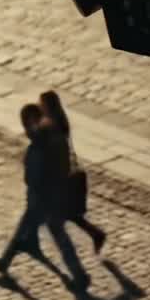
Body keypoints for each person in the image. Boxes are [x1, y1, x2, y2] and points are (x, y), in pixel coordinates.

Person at [0, 104, 91, 293]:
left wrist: (38, 189)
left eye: (27, 123)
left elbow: (40, 172)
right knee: (27, 227)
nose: (26, 128)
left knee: (58, 235)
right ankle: (5, 261)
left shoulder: (44, 141)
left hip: (44, 199)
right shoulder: (51, 137)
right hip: (46, 196)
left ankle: (80, 275)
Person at [39, 90, 108, 254]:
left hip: (61, 177)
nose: (39, 106)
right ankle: (96, 234)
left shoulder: (54, 126)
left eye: (42, 104)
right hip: (62, 175)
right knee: (68, 214)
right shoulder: (57, 122)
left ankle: (72, 258)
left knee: (53, 217)